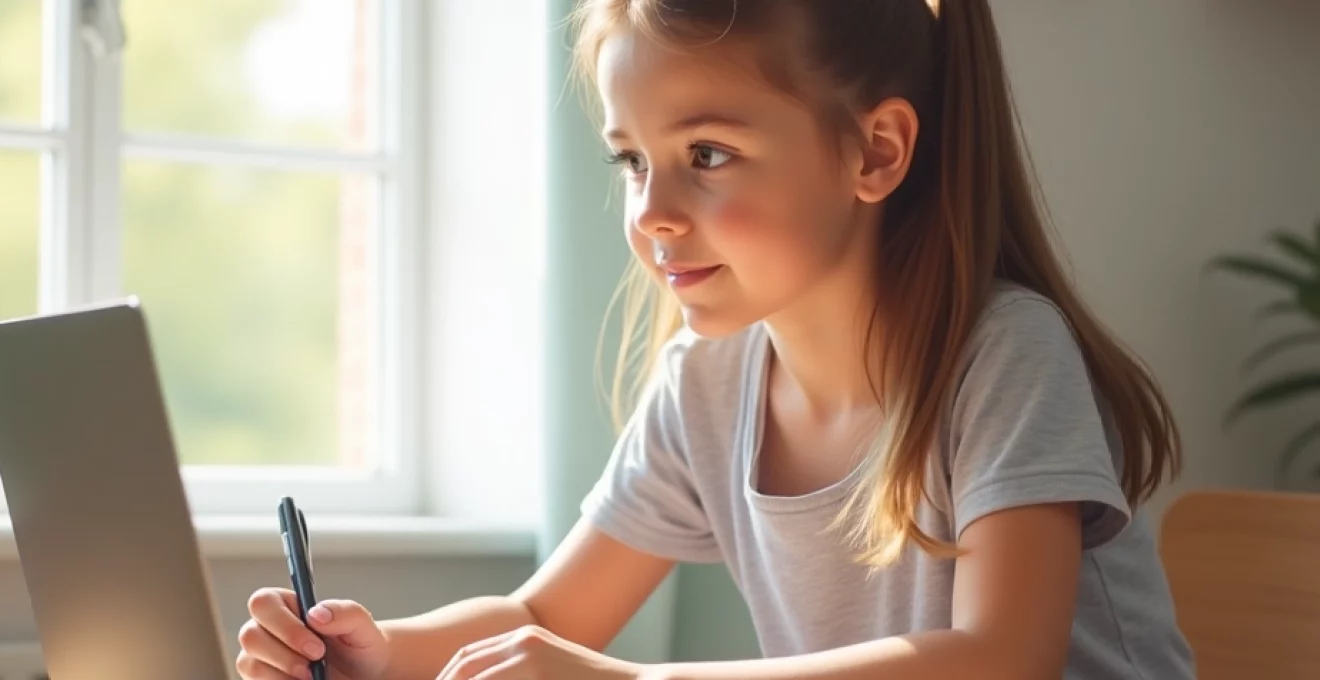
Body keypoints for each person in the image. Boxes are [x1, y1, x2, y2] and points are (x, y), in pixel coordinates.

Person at [235, 0, 1196, 678]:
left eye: (707, 155)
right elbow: (542, 617)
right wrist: (379, 650)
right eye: (630, 160)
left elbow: (997, 662)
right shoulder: (710, 381)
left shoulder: (1005, 356)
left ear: (876, 151)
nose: (651, 211)